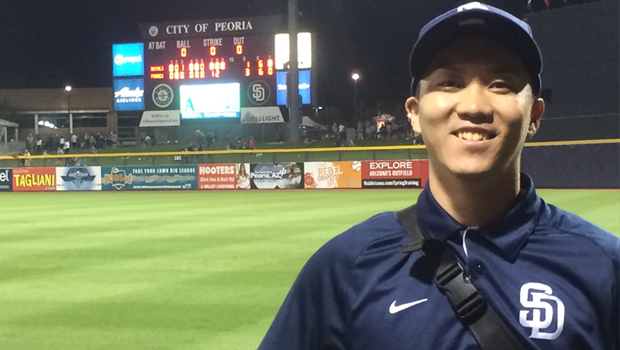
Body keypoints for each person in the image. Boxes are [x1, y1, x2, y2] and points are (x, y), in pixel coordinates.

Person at [257, 3, 619, 350]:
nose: (474, 106)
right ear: (413, 113)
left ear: (535, 115)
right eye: (448, 83)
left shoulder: (603, 266)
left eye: (500, 83)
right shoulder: (345, 267)